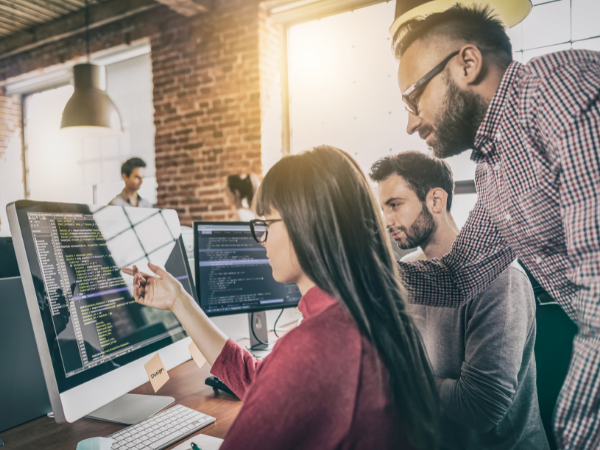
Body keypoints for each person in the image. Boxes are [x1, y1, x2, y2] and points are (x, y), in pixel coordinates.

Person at [124, 145, 439, 450]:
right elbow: (262, 382)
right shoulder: (374, 313)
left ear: (306, 226)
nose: (261, 240)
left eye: (266, 224)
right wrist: (179, 300)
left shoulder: (315, 346)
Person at [391, 4, 600, 447]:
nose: (410, 123)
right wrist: (355, 271)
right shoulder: (494, 168)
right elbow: (459, 277)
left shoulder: (560, 93)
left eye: (413, 97)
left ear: (467, 63)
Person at [370, 151, 549, 450]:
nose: (386, 220)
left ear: (436, 200)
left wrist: (402, 377)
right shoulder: (410, 273)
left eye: (395, 205)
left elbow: (480, 408)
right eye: (382, 208)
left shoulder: (500, 278)